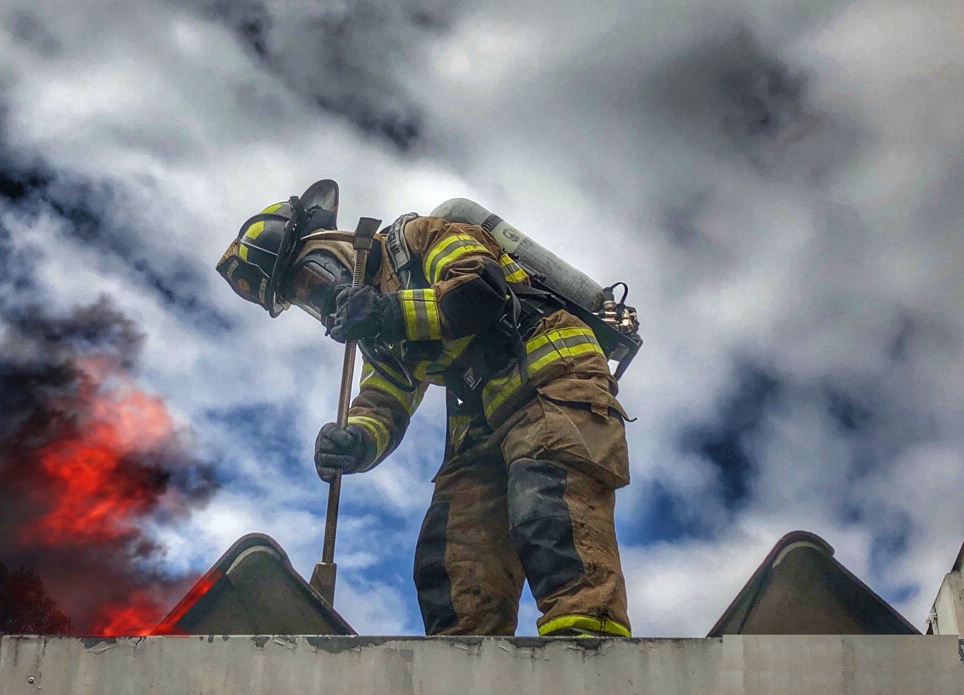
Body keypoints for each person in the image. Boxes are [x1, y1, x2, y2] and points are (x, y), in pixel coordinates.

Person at [216, 179, 632, 637]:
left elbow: (478, 292)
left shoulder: (422, 237)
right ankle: (467, 665)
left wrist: (387, 312)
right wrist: (356, 439)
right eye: (299, 296)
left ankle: (589, 648)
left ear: (327, 246)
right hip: (483, 416)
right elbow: (385, 396)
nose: (313, 295)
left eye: (306, 279)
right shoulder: (374, 328)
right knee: (449, 556)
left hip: (553, 374)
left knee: (547, 508)